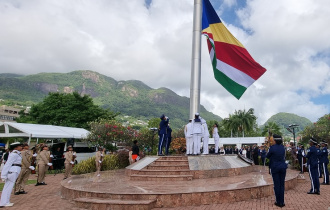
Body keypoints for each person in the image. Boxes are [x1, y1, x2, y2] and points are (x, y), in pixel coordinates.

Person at [266, 134, 287, 208]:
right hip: (283, 167)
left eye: (273, 140)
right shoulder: (283, 147)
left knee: (277, 185)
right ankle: (282, 201)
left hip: (275, 167)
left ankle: (278, 201)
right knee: (282, 184)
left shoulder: (272, 148)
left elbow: (267, 156)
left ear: (275, 140)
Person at [0, 142, 23, 207]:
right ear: (16, 147)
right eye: (20, 146)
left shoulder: (16, 153)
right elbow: (8, 164)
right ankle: (4, 202)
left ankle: (5, 201)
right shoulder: (14, 154)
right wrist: (3, 175)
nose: (21, 147)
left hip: (14, 170)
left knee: (8, 187)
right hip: (13, 171)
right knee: (8, 188)